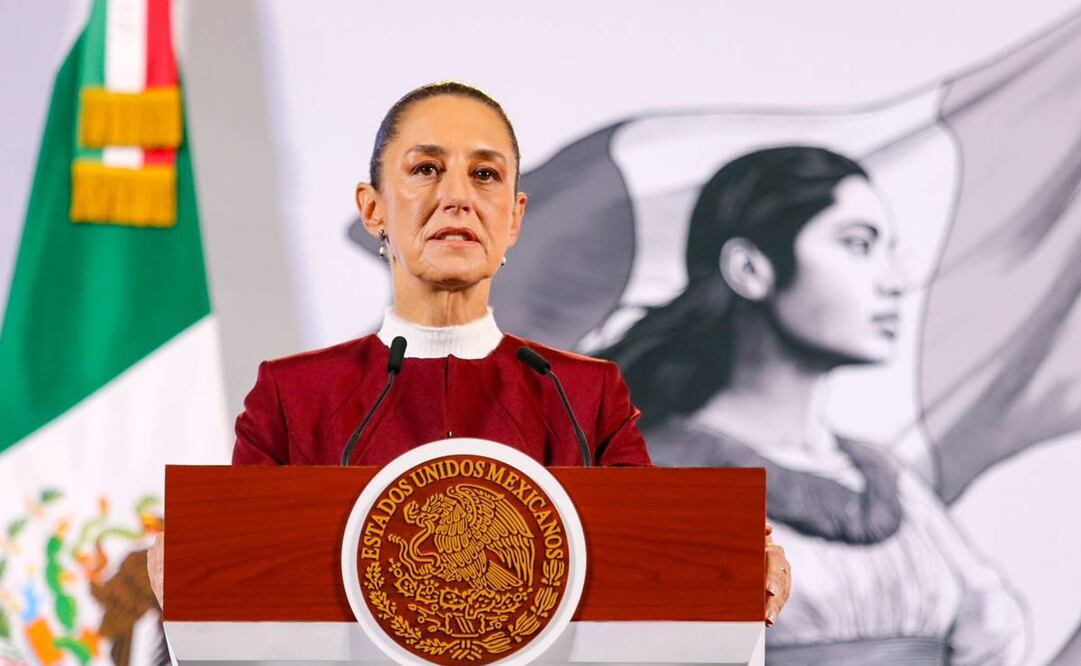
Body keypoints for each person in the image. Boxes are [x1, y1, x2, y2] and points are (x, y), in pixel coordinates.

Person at [148, 82, 792, 623]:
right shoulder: (294, 396)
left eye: (484, 175)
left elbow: (651, 571)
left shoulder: (586, 396)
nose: (457, 196)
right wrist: (194, 563)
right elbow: (241, 588)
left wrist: (734, 563)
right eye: (426, 169)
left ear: (513, 218)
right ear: (373, 210)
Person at [600, 146, 1026, 664]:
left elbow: (991, 636)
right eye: (857, 245)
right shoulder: (665, 479)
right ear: (750, 268)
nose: (892, 281)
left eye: (888, 250)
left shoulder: (889, 480)